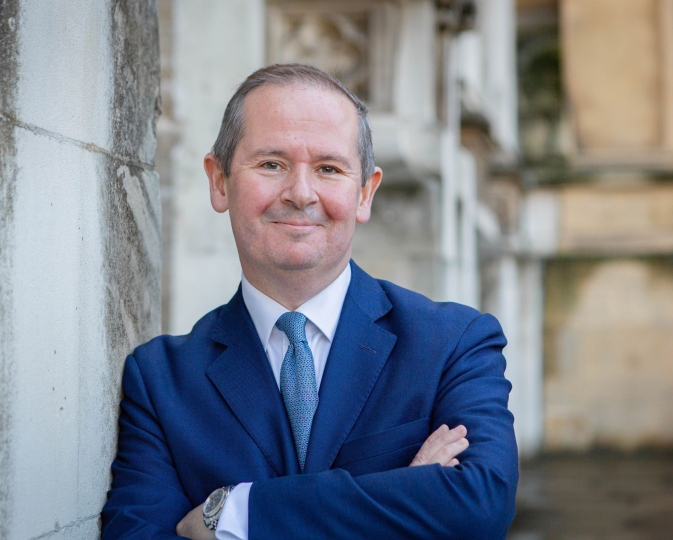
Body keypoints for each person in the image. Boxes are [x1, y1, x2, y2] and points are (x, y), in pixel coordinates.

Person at [101, 63, 518, 540]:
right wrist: (402, 495)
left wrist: (235, 513)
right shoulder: (160, 380)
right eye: (272, 164)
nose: (301, 193)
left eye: (328, 169)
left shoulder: (453, 345)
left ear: (365, 193)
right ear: (219, 181)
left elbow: (479, 505)